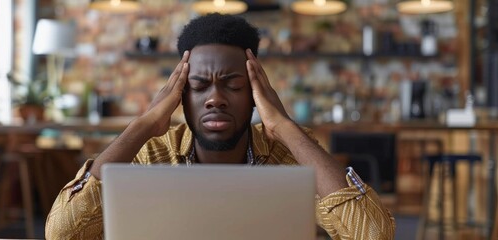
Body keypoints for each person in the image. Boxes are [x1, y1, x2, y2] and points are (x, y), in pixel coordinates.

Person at [45, 13, 395, 239]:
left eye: (234, 84)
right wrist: (145, 124)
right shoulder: (150, 152)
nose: (215, 98)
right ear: (180, 94)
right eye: (198, 87)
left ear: (257, 93)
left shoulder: (291, 155)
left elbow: (374, 235)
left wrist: (283, 125)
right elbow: (63, 235)